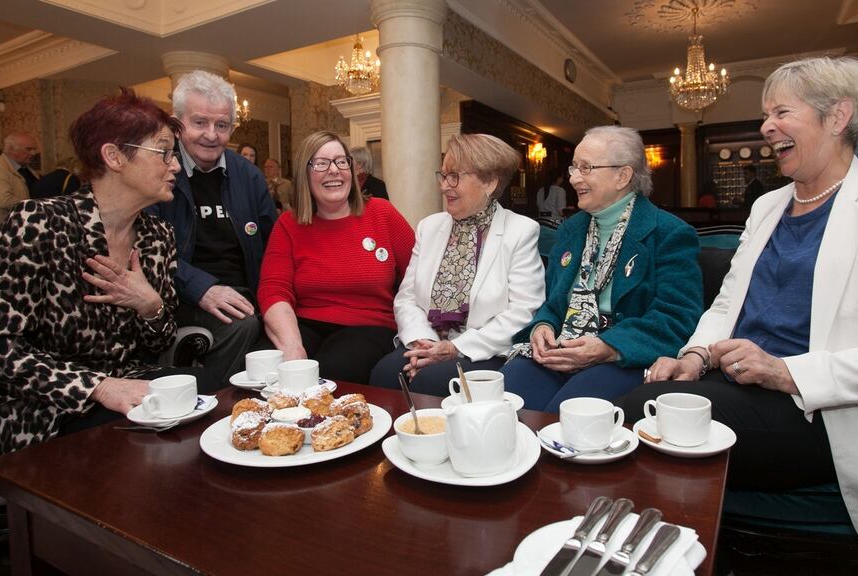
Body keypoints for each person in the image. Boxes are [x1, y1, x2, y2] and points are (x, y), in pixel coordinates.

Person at [622, 57, 858, 542]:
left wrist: (786, 371)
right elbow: (726, 305)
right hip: (743, 385)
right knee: (641, 411)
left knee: (641, 416)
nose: (765, 126)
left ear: (837, 116)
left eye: (780, 113)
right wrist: (694, 354)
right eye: (765, 115)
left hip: (830, 411)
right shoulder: (768, 205)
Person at [0, 89, 222, 461]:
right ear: (114, 156)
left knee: (211, 389)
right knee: (132, 441)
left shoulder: (156, 236)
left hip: (125, 385)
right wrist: (97, 387)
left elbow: (156, 345)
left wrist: (150, 306)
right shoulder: (38, 224)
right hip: (33, 404)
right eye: (164, 152)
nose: (176, 166)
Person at [501, 126, 703, 413]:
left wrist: (608, 346)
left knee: (564, 419)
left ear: (623, 176)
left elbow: (677, 317)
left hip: (622, 355)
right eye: (574, 168)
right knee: (502, 406)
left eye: (586, 168)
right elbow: (553, 302)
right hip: (561, 348)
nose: (573, 178)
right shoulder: (571, 229)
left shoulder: (669, 233)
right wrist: (543, 325)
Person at [369, 134, 545, 395]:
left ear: (490, 182)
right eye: (443, 175)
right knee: (384, 374)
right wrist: (424, 341)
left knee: (430, 382)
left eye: (455, 177)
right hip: (428, 340)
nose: (444, 186)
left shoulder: (520, 231)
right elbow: (406, 298)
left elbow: (523, 312)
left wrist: (456, 348)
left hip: (483, 348)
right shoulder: (430, 227)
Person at [146, 70, 275, 384]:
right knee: (243, 324)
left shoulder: (249, 176)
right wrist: (199, 287)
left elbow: (273, 245)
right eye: (200, 122)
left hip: (245, 292)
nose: (212, 135)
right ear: (177, 125)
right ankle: (217, 405)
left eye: (222, 125)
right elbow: (147, 249)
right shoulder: (158, 173)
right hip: (179, 295)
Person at [258, 131, 414, 384]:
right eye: (321, 163)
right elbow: (273, 290)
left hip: (369, 326)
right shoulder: (288, 224)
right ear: (304, 173)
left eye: (341, 161)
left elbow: (420, 278)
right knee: (265, 368)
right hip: (303, 323)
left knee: (334, 370)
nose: (334, 170)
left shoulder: (382, 213)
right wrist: (292, 346)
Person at [0, 132, 39, 237]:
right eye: (28, 149)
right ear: (12, 149)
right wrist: (38, 205)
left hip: (23, 228)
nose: (33, 153)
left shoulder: (26, 168)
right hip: (6, 231)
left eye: (34, 149)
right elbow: (4, 201)